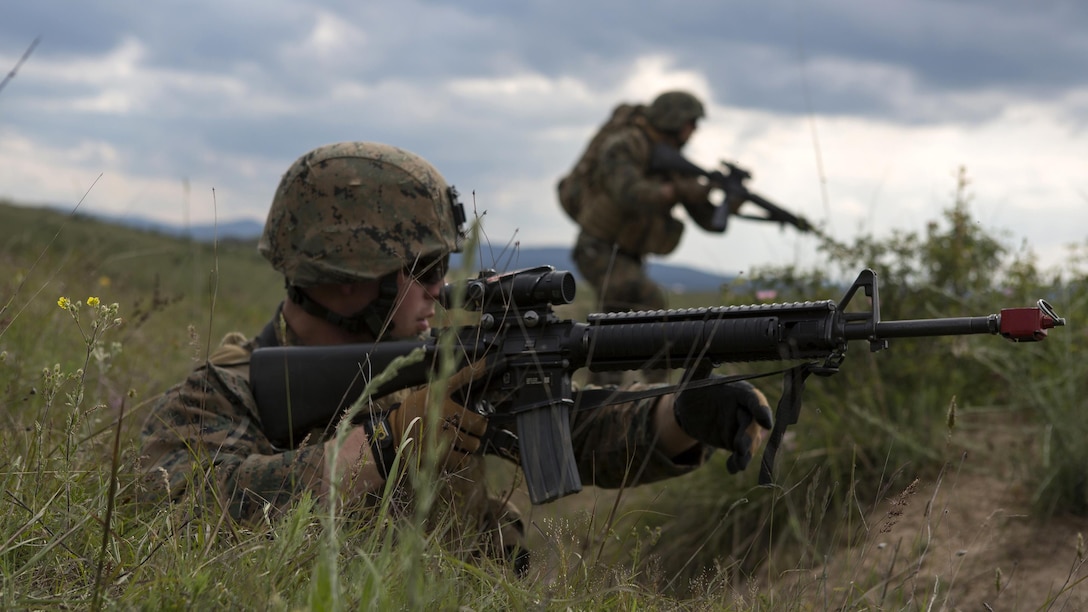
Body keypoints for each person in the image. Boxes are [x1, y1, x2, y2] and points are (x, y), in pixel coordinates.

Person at [138, 141, 772, 576]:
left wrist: (681, 417)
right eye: (428, 269)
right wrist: (384, 446)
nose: (443, 289)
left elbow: (570, 432)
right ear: (348, 276)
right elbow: (184, 516)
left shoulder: (438, 367)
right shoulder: (221, 396)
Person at [558, 90, 736, 315]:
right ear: (674, 120)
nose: (695, 129)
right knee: (646, 307)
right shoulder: (625, 144)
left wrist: (730, 201)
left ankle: (596, 349)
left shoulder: (674, 163)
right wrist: (677, 192)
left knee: (622, 321)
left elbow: (710, 222)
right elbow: (629, 193)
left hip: (629, 257)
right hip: (598, 248)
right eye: (692, 122)